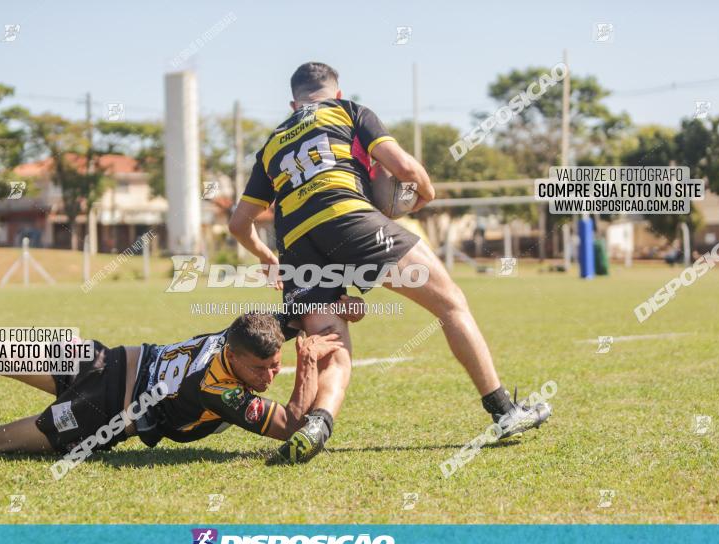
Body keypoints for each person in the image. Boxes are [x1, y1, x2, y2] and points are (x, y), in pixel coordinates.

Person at [228, 62, 550, 463]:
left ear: (294, 103)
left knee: (332, 344)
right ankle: (504, 412)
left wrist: (267, 257)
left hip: (296, 244)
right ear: (337, 93)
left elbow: (239, 223)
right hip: (349, 216)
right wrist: (425, 195)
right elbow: (407, 170)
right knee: (450, 304)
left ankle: (318, 423)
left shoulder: (271, 145)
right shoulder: (348, 111)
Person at [0, 302, 364, 463]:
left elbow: (294, 314)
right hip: (101, 415)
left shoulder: (240, 335)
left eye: (273, 365)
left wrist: (339, 308)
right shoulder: (216, 388)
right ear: (232, 356)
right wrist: (305, 366)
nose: (267, 376)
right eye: (260, 370)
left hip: (106, 358)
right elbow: (292, 425)